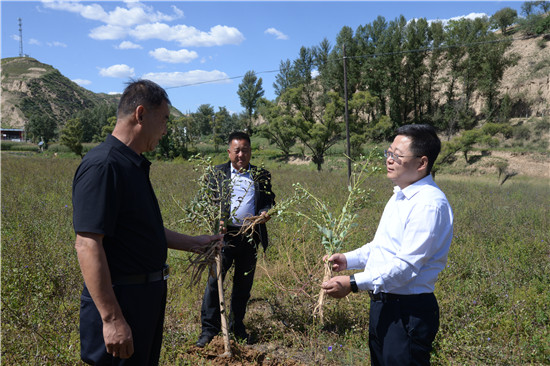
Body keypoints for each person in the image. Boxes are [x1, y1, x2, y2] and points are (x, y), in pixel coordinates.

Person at [72, 79, 222, 365]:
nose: (166, 130)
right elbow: (87, 244)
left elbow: (142, 230)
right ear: (140, 115)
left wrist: (195, 243)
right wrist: (112, 319)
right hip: (121, 301)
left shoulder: (132, 164)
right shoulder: (104, 166)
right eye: (164, 120)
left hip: (142, 301)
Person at [322, 124, 453, 366]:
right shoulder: (399, 196)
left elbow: (405, 267)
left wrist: (352, 283)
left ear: (422, 163)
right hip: (384, 304)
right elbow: (380, 247)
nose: (389, 160)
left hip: (408, 312)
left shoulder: (428, 205)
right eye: (388, 153)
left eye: (397, 155)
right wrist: (347, 260)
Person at [196, 131, 275, 347]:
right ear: (229, 151)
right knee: (214, 283)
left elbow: (269, 201)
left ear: (250, 151)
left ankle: (236, 327)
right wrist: (216, 218)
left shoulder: (261, 175)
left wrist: (266, 212)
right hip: (224, 238)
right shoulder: (217, 173)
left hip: (250, 237)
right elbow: (206, 200)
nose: (241, 154)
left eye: (245, 150)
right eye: (237, 150)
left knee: (243, 285)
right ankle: (209, 331)